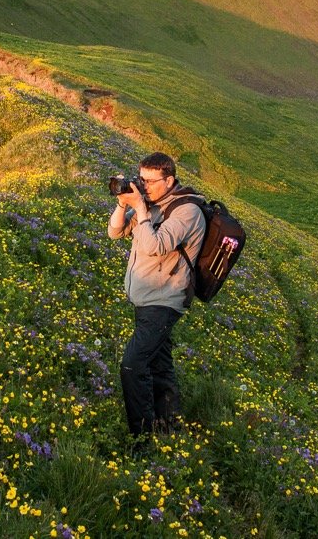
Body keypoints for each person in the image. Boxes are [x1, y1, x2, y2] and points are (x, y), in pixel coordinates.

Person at [107, 151, 206, 444]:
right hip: (146, 300)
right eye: (141, 179)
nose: (144, 186)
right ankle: (170, 430)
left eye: (150, 181)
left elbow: (155, 246)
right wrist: (123, 204)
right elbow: (115, 233)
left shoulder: (187, 211)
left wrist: (140, 208)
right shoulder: (151, 205)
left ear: (170, 180)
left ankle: (142, 438)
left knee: (132, 365)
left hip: (164, 302)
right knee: (160, 368)